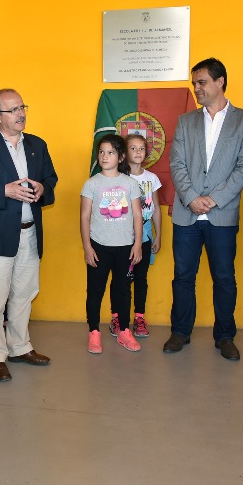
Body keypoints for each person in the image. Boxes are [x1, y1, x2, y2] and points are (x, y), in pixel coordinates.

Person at [165, 57, 243, 361]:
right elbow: (177, 163)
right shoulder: (186, 121)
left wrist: (215, 198)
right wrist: (191, 197)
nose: (197, 88)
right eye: (194, 83)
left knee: (224, 278)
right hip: (187, 213)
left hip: (222, 214)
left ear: (220, 82)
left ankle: (225, 336)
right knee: (183, 276)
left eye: (202, 82)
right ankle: (180, 332)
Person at [0, 88, 58, 382]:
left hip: (30, 234)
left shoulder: (37, 145)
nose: (21, 114)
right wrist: (3, 191)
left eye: (22, 107)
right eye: (13, 109)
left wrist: (42, 188)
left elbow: (51, 179)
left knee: (24, 295)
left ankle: (19, 347)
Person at [81, 134, 143, 353]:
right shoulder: (92, 183)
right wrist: (87, 247)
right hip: (99, 247)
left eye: (110, 152)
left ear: (121, 157)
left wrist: (137, 244)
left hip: (125, 247)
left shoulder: (130, 183)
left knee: (123, 290)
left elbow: (137, 215)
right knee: (95, 290)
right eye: (101, 152)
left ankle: (124, 331)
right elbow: (85, 217)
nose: (105, 156)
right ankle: (94, 332)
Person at [111, 133, 162, 338]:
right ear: (124, 153)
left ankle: (139, 317)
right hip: (123, 235)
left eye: (142, 148)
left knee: (141, 278)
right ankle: (117, 317)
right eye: (133, 148)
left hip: (146, 234)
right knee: (121, 278)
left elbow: (155, 208)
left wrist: (158, 235)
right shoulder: (118, 178)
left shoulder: (152, 179)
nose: (138, 152)